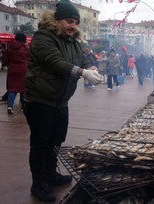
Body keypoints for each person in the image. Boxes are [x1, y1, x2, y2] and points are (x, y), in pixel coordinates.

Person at [22, 0, 103, 202]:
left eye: (75, 22)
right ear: (57, 21)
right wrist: (82, 73)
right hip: (39, 100)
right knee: (40, 143)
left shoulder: (74, 42)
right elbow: (55, 63)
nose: (73, 26)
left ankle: (51, 175)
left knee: (55, 141)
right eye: (69, 21)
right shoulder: (43, 37)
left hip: (60, 102)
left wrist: (91, 67)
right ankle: (38, 184)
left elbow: (84, 58)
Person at [4, 33, 29, 114]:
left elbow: (6, 59)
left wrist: (9, 64)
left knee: (12, 89)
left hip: (12, 69)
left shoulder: (10, 47)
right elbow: (30, 58)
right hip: (24, 69)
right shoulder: (26, 48)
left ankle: (10, 106)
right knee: (24, 88)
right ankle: (23, 106)